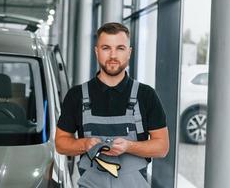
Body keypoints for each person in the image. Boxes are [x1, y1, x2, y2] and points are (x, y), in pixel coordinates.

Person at [55, 22, 169, 188]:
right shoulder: (76, 95)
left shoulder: (146, 95)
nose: (113, 55)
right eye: (106, 48)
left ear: (129, 53)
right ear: (97, 51)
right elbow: (60, 143)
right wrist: (85, 144)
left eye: (120, 48)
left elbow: (162, 147)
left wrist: (129, 146)